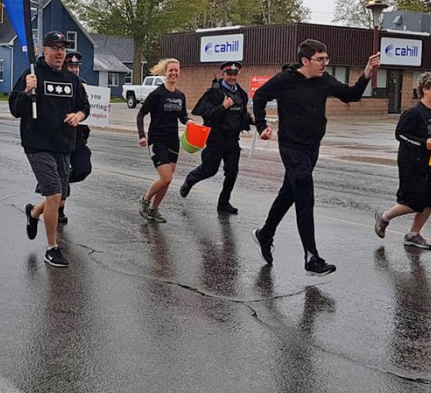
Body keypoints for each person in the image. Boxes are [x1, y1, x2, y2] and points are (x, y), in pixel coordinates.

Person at [252, 39, 380, 276]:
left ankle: (265, 234)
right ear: (305, 61)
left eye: (326, 59)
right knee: (304, 190)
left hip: (312, 147)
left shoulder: (324, 81)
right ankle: (311, 256)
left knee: (290, 192)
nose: (325, 63)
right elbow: (259, 97)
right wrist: (261, 125)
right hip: (291, 146)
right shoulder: (284, 80)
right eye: (320, 59)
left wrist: (367, 73)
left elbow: (351, 96)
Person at [9, 31, 90, 268]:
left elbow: (84, 106)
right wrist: (26, 92)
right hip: (37, 144)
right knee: (54, 193)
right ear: (44, 50)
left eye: (62, 48)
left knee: (60, 196)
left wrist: (78, 115)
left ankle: (33, 213)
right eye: (54, 47)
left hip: (64, 144)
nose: (59, 52)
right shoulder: (32, 74)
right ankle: (52, 248)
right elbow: (15, 109)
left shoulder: (72, 79)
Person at [374, 72, 431, 249]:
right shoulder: (413, 113)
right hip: (411, 164)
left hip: (430, 164)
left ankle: (413, 234)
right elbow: (400, 134)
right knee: (413, 202)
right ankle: (384, 217)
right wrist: (422, 143)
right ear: (425, 90)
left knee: (430, 200)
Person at [180, 61, 252, 214]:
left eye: (235, 74)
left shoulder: (241, 94)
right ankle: (190, 180)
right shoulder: (214, 93)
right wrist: (223, 107)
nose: (232, 77)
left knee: (232, 171)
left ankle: (223, 203)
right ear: (223, 74)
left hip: (232, 141)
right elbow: (202, 113)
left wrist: (254, 121)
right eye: (229, 74)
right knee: (209, 170)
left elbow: (242, 115)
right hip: (215, 140)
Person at [137, 58, 190, 223]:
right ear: (165, 73)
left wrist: (190, 123)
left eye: (176, 70)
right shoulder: (157, 94)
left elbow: (183, 117)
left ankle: (153, 210)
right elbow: (141, 114)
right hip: (157, 140)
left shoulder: (180, 96)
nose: (174, 73)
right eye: (171, 70)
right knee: (166, 177)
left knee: (167, 181)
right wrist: (141, 135)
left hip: (173, 141)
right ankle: (145, 200)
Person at [57, 50, 92, 224]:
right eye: (71, 65)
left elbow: (88, 108)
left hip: (79, 138)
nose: (74, 69)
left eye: (76, 66)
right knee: (62, 174)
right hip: (61, 138)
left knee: (83, 169)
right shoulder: (59, 85)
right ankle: (59, 210)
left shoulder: (84, 85)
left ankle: (57, 182)